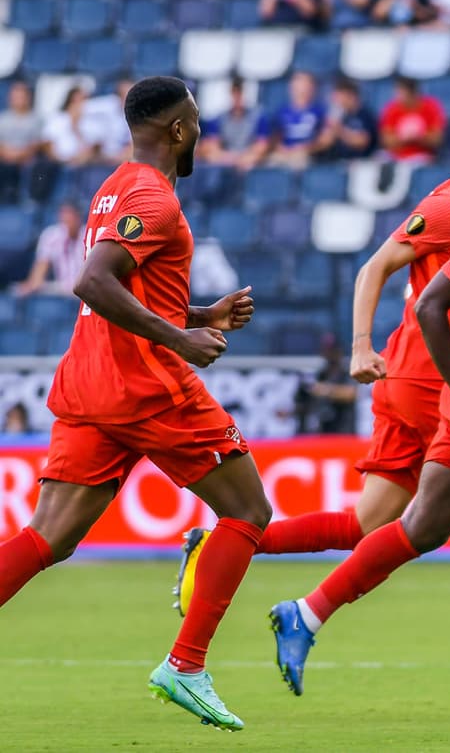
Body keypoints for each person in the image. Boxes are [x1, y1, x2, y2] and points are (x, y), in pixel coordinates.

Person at [176, 115, 450, 685]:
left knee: (379, 523)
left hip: (436, 379)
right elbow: (376, 269)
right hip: (430, 380)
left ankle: (239, 555)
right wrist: (361, 347)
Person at [0, 76, 270, 731]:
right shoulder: (154, 197)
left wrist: (201, 311)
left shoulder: (115, 187)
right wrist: (181, 336)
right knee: (248, 509)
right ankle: (185, 665)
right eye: (197, 121)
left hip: (90, 378)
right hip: (145, 384)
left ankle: (186, 664)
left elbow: (121, 287)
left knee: (47, 536)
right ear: (178, 129)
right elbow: (91, 279)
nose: (201, 131)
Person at [241, 71, 326, 170]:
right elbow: (275, 137)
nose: (302, 88)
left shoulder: (319, 111)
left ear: (312, 87)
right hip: (283, 153)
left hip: (306, 155)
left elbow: (324, 139)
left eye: (305, 83)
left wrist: (305, 148)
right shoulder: (282, 112)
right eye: (298, 83)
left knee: (298, 162)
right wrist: (281, 148)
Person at [16, 201, 82, 297]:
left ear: (78, 218)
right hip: (61, 290)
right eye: (63, 216)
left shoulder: (89, 234)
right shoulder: (51, 235)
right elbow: (39, 273)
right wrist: (31, 285)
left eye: (70, 217)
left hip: (85, 289)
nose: (66, 220)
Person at [295, 338, 358, 434]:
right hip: (323, 431)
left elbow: (351, 394)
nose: (328, 355)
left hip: (344, 431)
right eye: (326, 350)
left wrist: (325, 390)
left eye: (331, 351)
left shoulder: (347, 371)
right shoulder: (321, 374)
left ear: (339, 351)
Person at [378, 76, 446, 164]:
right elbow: (386, 140)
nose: (397, 96)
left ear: (412, 93)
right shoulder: (392, 109)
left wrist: (418, 136)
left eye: (401, 92)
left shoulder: (431, 107)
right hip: (397, 157)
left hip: (423, 157)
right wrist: (403, 138)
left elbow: (437, 139)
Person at [313, 77, 377, 161]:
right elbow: (324, 142)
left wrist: (339, 130)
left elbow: (362, 141)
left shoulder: (365, 115)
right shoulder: (335, 115)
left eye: (340, 97)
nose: (336, 101)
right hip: (336, 162)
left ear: (351, 96)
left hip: (361, 163)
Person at [199, 76, 259, 167]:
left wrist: (245, 158)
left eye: (240, 92)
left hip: (249, 162)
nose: (237, 97)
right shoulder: (219, 118)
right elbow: (212, 147)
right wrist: (231, 158)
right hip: (226, 162)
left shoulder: (257, 117)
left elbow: (261, 147)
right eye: (234, 92)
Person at [0, 80, 44, 201]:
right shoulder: (3, 119)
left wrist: (21, 154)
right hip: (5, 158)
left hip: (27, 159)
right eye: (15, 97)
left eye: (22, 96)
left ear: (28, 98)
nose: (18, 100)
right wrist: (9, 154)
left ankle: (29, 199)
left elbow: (37, 143)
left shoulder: (36, 119)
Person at [42, 86, 98, 166]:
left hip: (84, 164)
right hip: (58, 163)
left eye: (82, 100)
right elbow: (47, 143)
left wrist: (75, 127)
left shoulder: (92, 121)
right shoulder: (57, 118)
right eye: (75, 101)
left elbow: (94, 147)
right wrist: (58, 159)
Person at [82, 79, 133, 165]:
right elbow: (80, 108)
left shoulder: (139, 113)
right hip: (100, 156)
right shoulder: (108, 106)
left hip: (122, 160)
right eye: (124, 94)